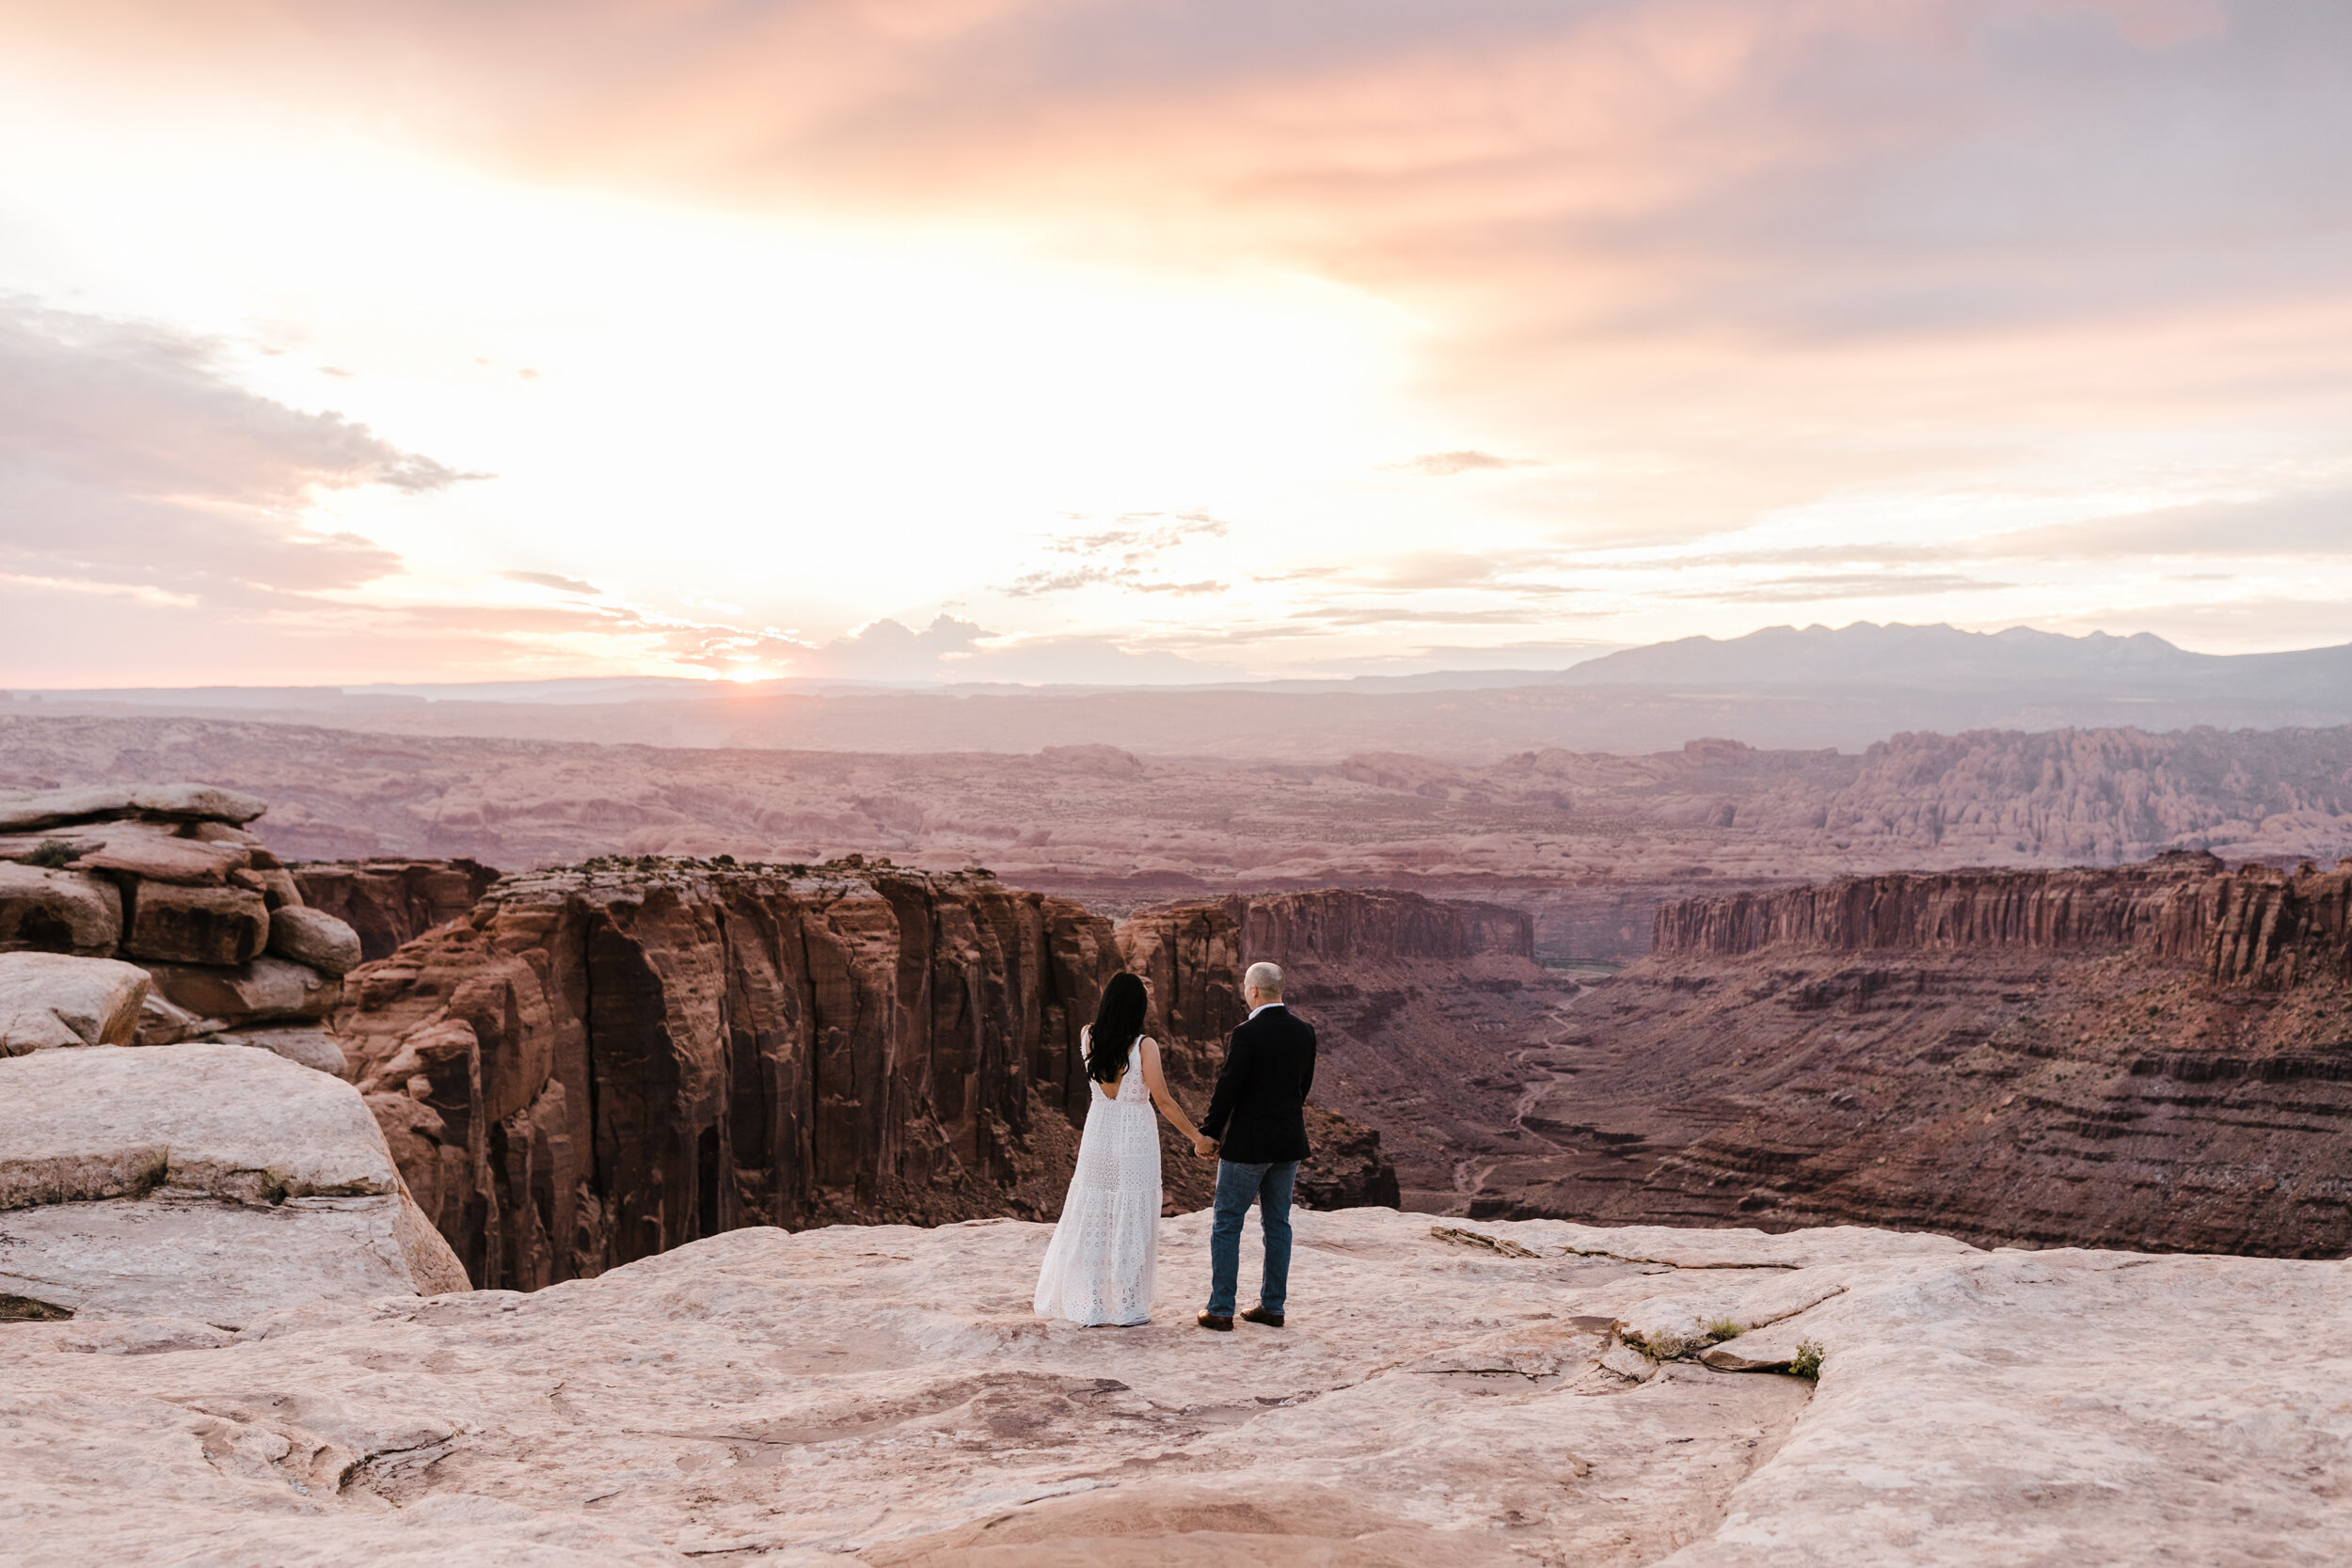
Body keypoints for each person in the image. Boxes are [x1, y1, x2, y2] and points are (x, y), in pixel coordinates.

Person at [1033, 971, 1211, 1326]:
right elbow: (1163, 1101)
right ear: (1138, 1007)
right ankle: (1128, 1305)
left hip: (1098, 1132)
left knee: (1095, 1214)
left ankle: (1094, 1303)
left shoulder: (1087, 1036)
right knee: (1132, 1217)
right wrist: (1197, 1138)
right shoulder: (1144, 1046)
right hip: (1134, 1139)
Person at [1196, 960, 1315, 1331]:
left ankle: (1220, 1309)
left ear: (1253, 991)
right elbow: (1303, 1087)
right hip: (1288, 1141)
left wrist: (1210, 1134)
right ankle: (1273, 1307)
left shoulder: (1246, 1033)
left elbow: (1227, 1089)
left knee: (1227, 1223)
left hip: (1248, 1145)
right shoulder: (1305, 1031)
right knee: (1278, 1222)